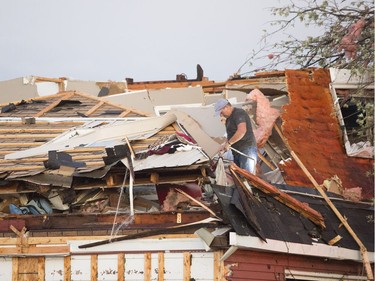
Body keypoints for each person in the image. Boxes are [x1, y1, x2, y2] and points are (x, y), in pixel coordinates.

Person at [214, 98, 257, 174]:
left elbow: (241, 131)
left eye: (221, 112)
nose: (221, 115)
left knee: (247, 176)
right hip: (237, 152)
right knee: (239, 177)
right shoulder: (228, 120)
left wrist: (229, 143)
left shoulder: (239, 113)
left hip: (246, 149)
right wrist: (224, 145)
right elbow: (231, 135)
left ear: (226, 107)